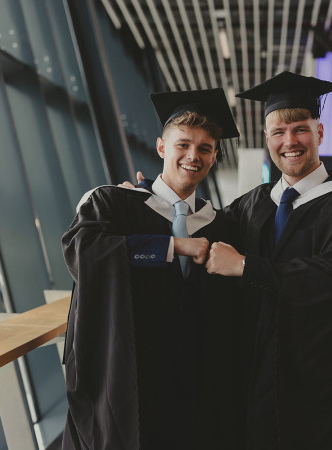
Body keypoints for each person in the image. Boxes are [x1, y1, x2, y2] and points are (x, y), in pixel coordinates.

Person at [203, 72, 332, 449]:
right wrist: (143, 202)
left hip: (323, 392)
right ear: (267, 139)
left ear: (319, 133)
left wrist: (247, 266)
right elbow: (198, 233)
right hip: (256, 384)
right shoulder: (250, 206)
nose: (289, 141)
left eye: (299, 129)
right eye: (278, 132)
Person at [60, 88, 241, 450]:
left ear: (214, 156)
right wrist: (171, 246)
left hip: (199, 385)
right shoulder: (113, 204)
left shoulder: (222, 225)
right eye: (183, 144)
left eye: (205, 148)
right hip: (129, 378)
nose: (193, 155)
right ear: (161, 147)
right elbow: (83, 251)